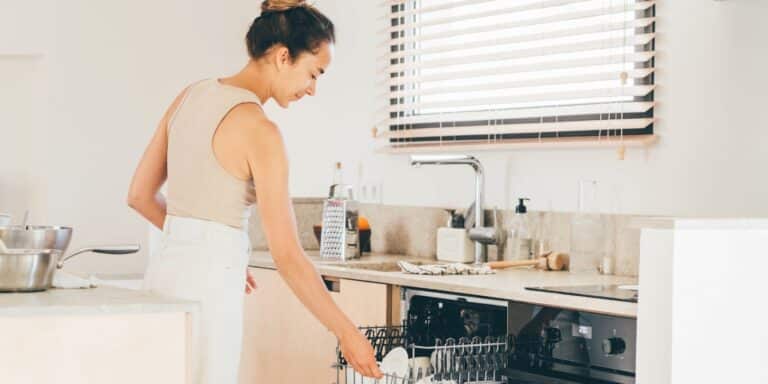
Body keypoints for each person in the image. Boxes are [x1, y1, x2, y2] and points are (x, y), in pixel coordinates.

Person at [127, 0, 383, 382]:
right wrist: (347, 333)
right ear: (283, 57)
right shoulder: (261, 132)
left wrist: (204, 248)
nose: (312, 89)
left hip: (164, 277)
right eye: (314, 73)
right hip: (211, 291)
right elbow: (288, 256)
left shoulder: (190, 95)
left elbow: (139, 196)